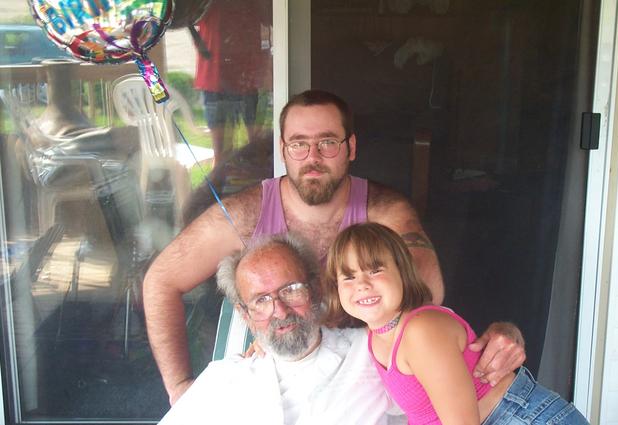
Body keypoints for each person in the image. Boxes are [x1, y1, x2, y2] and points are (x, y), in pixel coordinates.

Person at [143, 89, 525, 405]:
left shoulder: (385, 211)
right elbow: (160, 281)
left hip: (363, 387)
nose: (313, 157)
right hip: (275, 383)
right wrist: (179, 388)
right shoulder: (244, 214)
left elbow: (425, 293)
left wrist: (499, 334)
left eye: (327, 143)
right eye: (299, 144)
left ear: (350, 147)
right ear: (283, 149)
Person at [324, 223, 589, 425]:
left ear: (402, 273)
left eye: (375, 270)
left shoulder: (421, 330)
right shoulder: (375, 337)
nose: (362, 284)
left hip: (523, 418)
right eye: (348, 277)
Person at [158, 234, 403, 424]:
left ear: (316, 290)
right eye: (261, 300)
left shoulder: (373, 353)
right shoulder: (221, 379)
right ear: (245, 315)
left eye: (291, 290)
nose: (281, 311)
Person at [193, 0, 271, 166]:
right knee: (221, 151)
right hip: (216, 74)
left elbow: (271, 17)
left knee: (255, 144)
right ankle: (222, 177)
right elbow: (189, 16)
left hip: (246, 74)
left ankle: (256, 175)